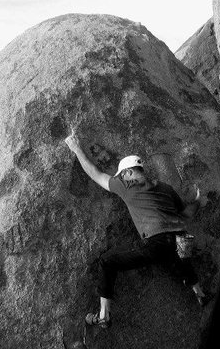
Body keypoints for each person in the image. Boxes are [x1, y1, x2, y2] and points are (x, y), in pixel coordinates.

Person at [64, 129, 210, 329]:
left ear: (128, 172)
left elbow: (95, 174)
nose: (121, 177)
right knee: (179, 257)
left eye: (122, 174)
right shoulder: (165, 188)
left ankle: (103, 315)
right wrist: (198, 202)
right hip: (182, 240)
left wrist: (75, 148)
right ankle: (199, 292)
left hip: (158, 243)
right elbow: (186, 214)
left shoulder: (126, 185)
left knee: (107, 262)